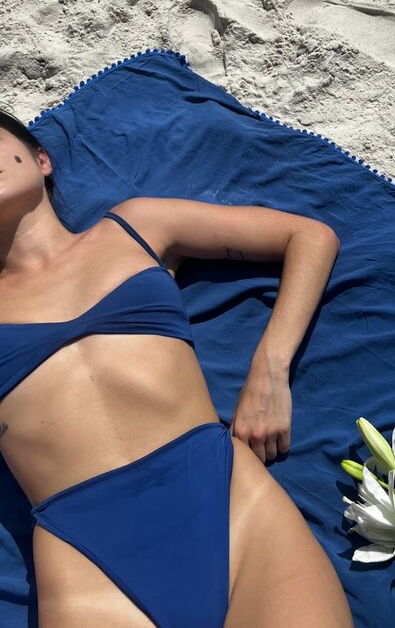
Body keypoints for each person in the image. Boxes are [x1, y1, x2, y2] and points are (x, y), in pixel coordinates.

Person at [0, 109, 355, 628]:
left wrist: (269, 370)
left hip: (227, 501)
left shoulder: (135, 226)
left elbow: (309, 237)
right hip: (87, 560)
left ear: (42, 159)